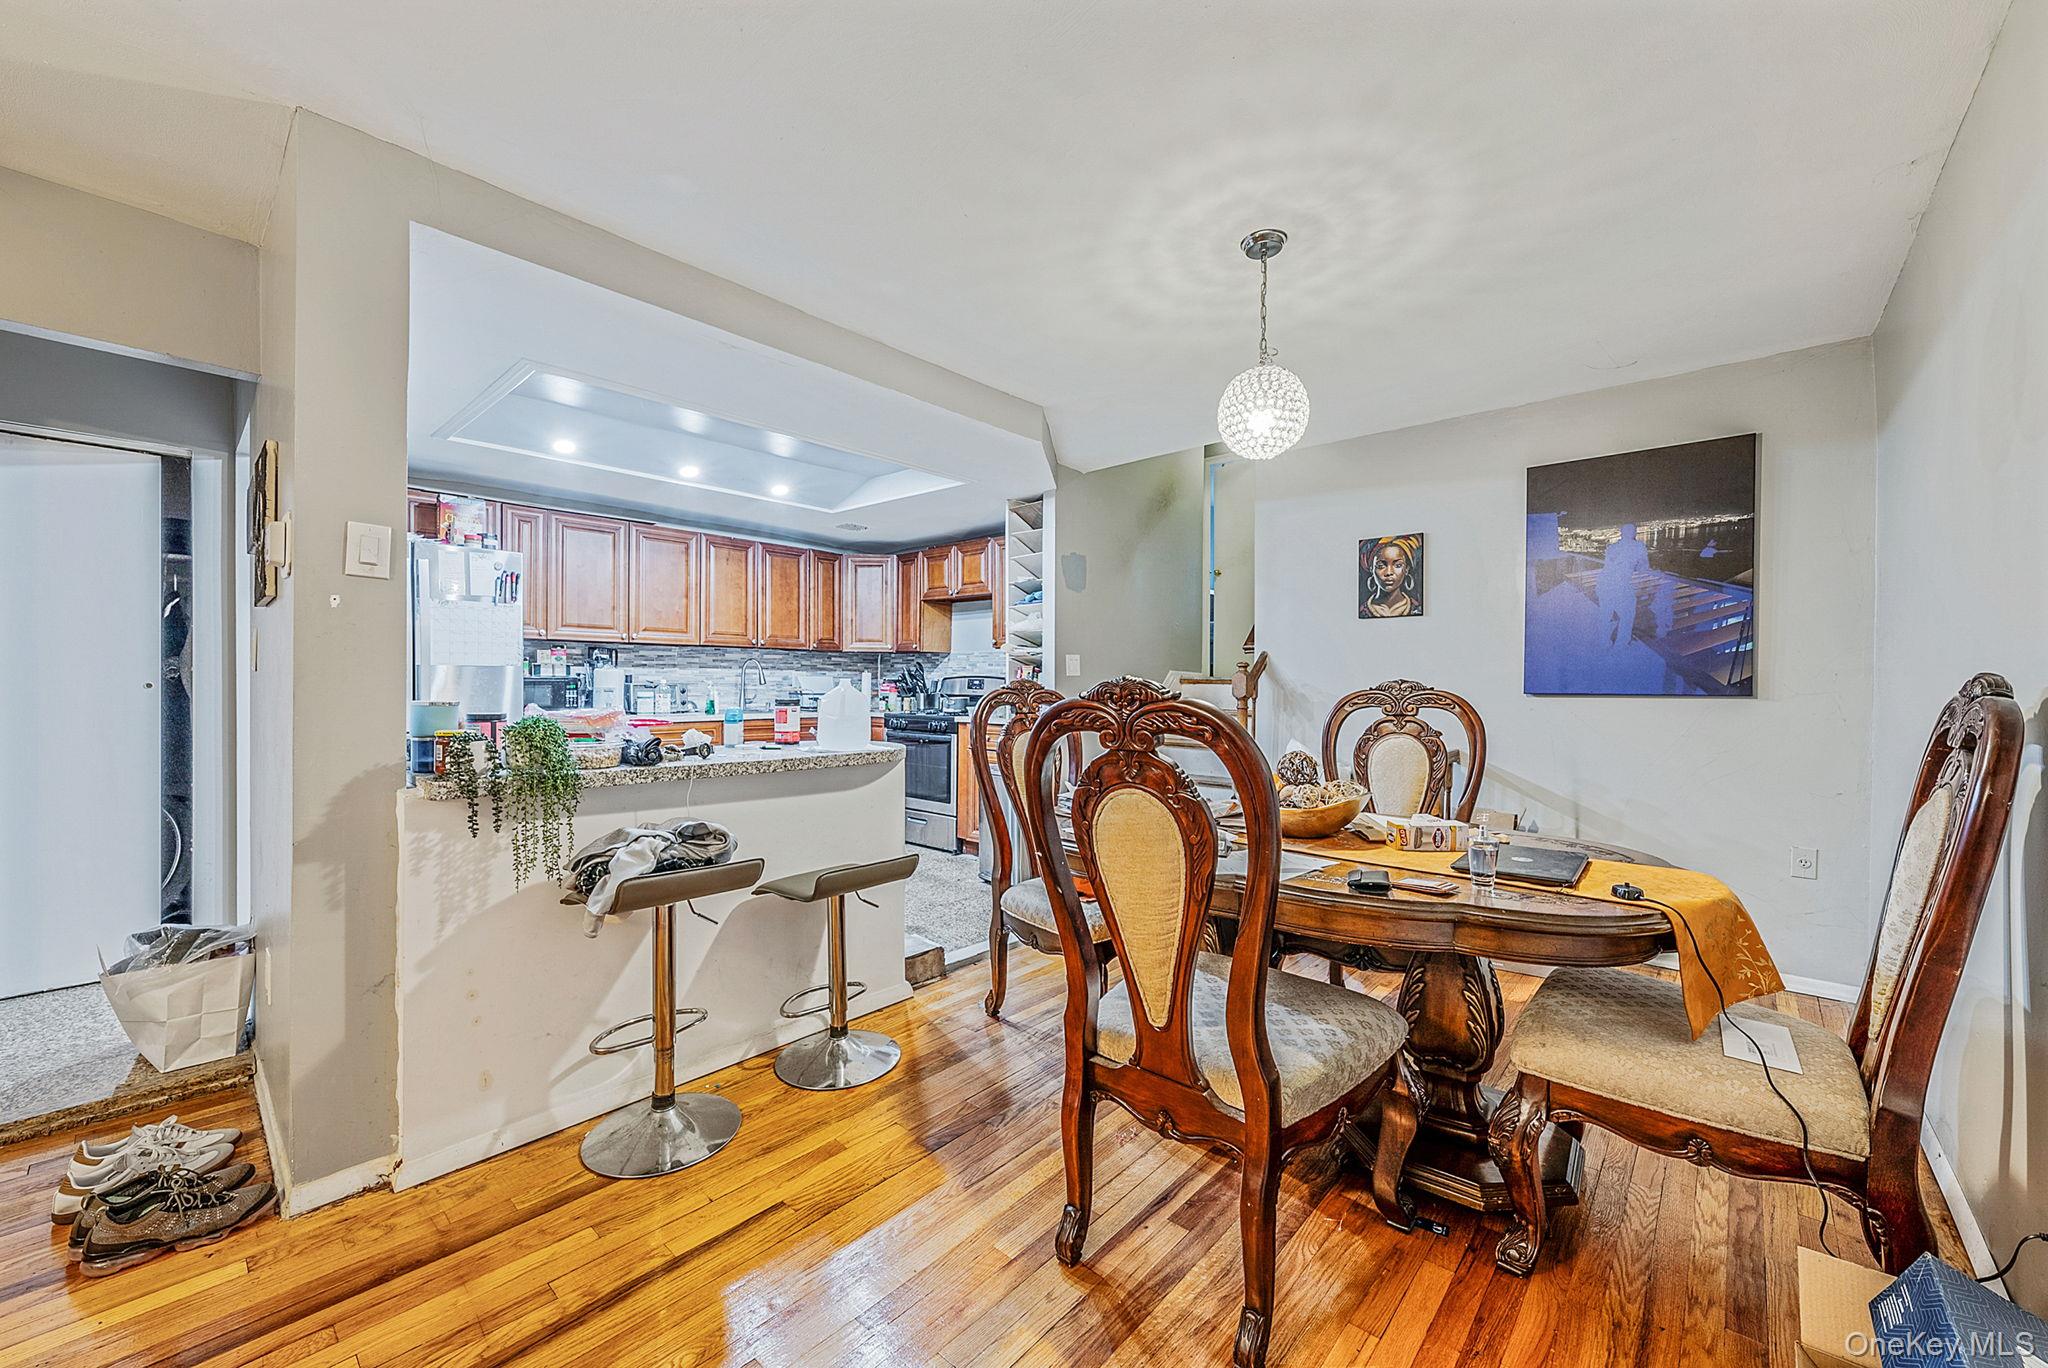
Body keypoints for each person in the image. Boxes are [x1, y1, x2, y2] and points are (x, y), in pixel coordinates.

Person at [1595, 523, 1650, 645]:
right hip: (1619, 585)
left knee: (1605, 615)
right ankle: (1621, 644)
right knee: (1628, 615)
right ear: (1634, 533)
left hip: (1603, 584)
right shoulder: (1639, 546)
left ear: (1621, 533)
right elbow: (1644, 568)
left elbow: (1611, 566)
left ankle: (1604, 643)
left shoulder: (1612, 547)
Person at [1361, 535, 1423, 618]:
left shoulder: (1417, 609)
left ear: (1406, 569)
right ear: (1372, 570)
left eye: (1398, 565)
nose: (1389, 572)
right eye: (1380, 566)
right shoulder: (1362, 611)